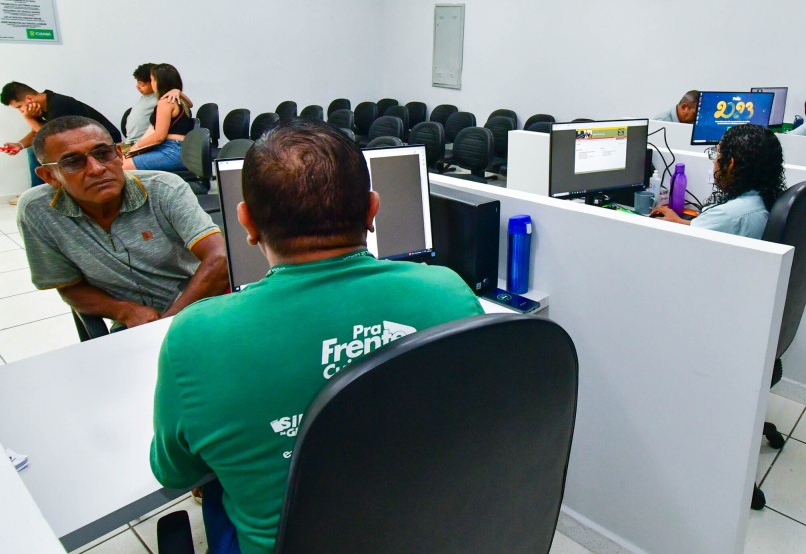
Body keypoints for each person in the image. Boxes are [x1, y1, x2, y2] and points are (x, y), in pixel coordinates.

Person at [150, 120, 484, 554]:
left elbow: (174, 473)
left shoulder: (195, 337)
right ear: (372, 210)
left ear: (246, 221)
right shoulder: (448, 291)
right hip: (431, 533)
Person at [17, 116, 227, 329]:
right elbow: (69, 286)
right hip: (133, 321)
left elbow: (220, 258)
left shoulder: (163, 188)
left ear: (119, 154)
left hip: (200, 301)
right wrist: (123, 311)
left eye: (103, 154)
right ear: (49, 176)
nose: (96, 169)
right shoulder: (37, 210)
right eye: (73, 162)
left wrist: (167, 324)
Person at [652, 124, 785, 239]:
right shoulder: (762, 198)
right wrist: (679, 221)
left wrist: (675, 223)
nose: (714, 161)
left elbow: (688, 240)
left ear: (731, 164)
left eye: (717, 154)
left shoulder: (727, 214)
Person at [2, 81, 122, 189]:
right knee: (34, 148)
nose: (21, 111)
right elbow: (37, 132)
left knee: (38, 149)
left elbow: (50, 138)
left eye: (19, 107)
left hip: (105, 141)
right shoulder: (44, 105)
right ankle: (41, 190)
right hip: (82, 142)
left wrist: (29, 118)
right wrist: (19, 145)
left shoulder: (58, 104)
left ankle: (39, 192)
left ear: (29, 98)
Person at [122, 63, 193, 171]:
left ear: (160, 82)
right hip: (178, 150)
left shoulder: (165, 102)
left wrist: (135, 148)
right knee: (121, 162)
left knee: (119, 167)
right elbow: (191, 104)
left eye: (152, 80)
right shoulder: (178, 100)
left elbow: (159, 137)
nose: (151, 83)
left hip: (170, 151)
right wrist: (178, 91)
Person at [124, 63, 159, 143]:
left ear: (154, 83)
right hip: (130, 140)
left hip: (142, 141)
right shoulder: (143, 98)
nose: (137, 86)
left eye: (142, 84)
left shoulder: (159, 99)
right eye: (137, 83)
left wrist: (176, 92)